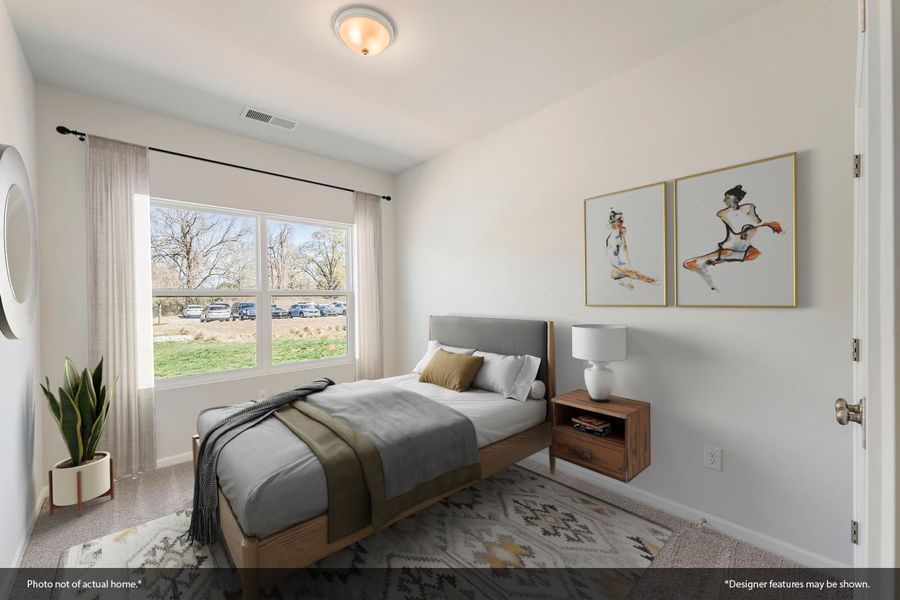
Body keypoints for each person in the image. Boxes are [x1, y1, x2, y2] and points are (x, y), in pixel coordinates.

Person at [682, 184, 783, 291]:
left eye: (727, 197)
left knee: (755, 254)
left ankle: (706, 268)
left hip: (745, 249)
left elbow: (757, 222)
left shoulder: (749, 207)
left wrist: (765, 224)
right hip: (729, 248)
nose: (724, 200)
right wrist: (766, 224)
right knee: (691, 263)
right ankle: (705, 271)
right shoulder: (723, 213)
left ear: (735, 198)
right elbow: (736, 228)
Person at [606, 208, 657, 289]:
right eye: (620, 221)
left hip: (619, 270)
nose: (622, 223)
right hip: (619, 268)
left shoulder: (618, 233)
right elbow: (617, 254)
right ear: (615, 223)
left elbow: (623, 251)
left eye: (622, 220)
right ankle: (653, 281)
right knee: (642, 279)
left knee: (637, 279)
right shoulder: (616, 235)